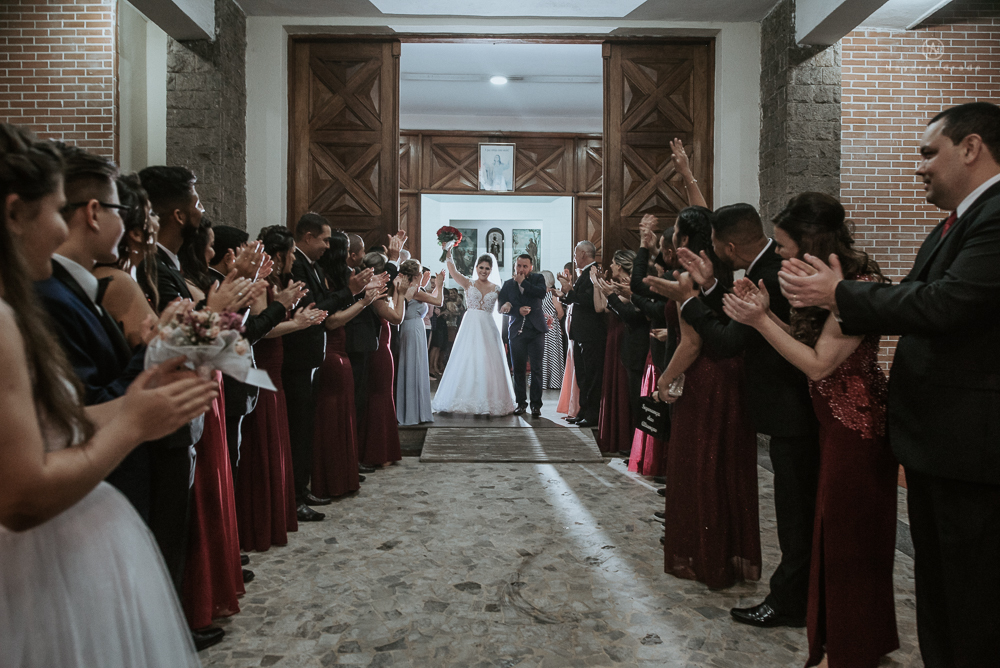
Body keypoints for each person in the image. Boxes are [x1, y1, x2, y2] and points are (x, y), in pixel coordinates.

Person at [778, 102, 1000, 667]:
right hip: (937, 441)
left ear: (971, 148)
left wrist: (841, 296)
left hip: (972, 444)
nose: (919, 168)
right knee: (942, 588)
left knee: (973, 595)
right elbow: (915, 301)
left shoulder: (995, 217)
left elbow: (948, 304)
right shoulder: (952, 224)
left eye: (930, 153)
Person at [0, 123, 217, 667]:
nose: (59, 229)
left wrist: (145, 390)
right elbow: (22, 495)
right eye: (54, 210)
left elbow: (59, 415)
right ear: (13, 214)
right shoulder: (16, 312)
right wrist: (134, 419)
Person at [723, 192, 899, 667]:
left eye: (782, 246)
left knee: (847, 542)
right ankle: (841, 641)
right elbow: (811, 343)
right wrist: (766, 309)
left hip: (852, 423)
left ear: (810, 245)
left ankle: (848, 648)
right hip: (829, 421)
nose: (776, 254)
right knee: (827, 537)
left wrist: (760, 321)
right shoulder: (831, 286)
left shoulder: (854, 286)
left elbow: (819, 365)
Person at [645, 202, 818, 628]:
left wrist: (689, 301)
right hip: (781, 404)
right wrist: (706, 291)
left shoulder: (770, 276)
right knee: (790, 505)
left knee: (796, 512)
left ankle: (791, 600)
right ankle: (794, 593)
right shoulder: (755, 270)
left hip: (788, 404)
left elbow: (725, 341)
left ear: (727, 245)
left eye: (784, 243)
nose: (781, 251)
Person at [652, 207, 761, 590]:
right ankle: (721, 549)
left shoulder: (689, 276)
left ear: (684, 238)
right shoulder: (715, 271)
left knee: (699, 464)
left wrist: (666, 379)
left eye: (677, 230)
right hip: (726, 377)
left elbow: (693, 342)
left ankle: (704, 552)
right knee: (720, 465)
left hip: (704, 378)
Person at [281, 213, 373, 521]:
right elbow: (315, 311)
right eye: (323, 238)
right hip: (298, 357)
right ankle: (294, 497)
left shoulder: (313, 267)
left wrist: (349, 292)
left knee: (304, 430)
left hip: (311, 357)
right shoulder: (297, 267)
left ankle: (300, 489)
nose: (326, 245)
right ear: (307, 237)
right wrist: (349, 293)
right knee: (298, 430)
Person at [432, 250, 516, 416]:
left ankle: (489, 400)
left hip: (488, 326)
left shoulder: (497, 288)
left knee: (488, 361)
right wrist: (447, 253)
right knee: (467, 359)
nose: (484, 271)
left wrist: (507, 306)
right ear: (476, 267)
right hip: (470, 326)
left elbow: (504, 304)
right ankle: (462, 398)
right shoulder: (468, 283)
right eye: (481, 268)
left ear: (491, 270)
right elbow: (453, 271)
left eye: (487, 269)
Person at [358, 251, 407, 467]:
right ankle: (376, 453)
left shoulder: (375, 292)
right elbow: (396, 317)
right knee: (380, 398)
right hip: (379, 352)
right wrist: (401, 294)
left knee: (382, 397)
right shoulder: (374, 294)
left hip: (382, 348)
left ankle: (383, 450)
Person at [558, 241, 606, 428]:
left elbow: (590, 302)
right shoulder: (584, 273)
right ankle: (583, 411)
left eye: (576, 254)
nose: (574, 258)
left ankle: (592, 415)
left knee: (592, 377)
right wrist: (566, 293)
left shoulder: (594, 272)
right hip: (581, 334)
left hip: (591, 333)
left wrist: (570, 291)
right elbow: (578, 299)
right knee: (583, 376)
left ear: (584, 254)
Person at [498, 254, 549, 417]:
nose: (521, 269)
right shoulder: (507, 284)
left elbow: (541, 294)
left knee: (536, 369)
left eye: (525, 266)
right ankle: (520, 403)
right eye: (518, 265)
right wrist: (515, 310)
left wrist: (523, 283)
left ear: (531, 268)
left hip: (536, 330)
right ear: (514, 266)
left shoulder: (538, 279)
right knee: (518, 369)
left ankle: (536, 405)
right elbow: (501, 306)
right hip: (517, 330)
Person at [396, 259, 443, 425]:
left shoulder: (411, 288)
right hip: (414, 328)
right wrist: (441, 285)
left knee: (411, 366)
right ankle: (413, 412)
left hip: (411, 328)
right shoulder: (413, 290)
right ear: (417, 274)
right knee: (414, 366)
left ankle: (411, 409)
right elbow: (438, 302)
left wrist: (433, 286)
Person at [539, 270, 564, 390]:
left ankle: (553, 381)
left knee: (551, 354)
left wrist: (551, 320)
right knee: (542, 354)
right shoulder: (539, 294)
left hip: (552, 329)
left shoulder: (553, 295)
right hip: (541, 328)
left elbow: (560, 313)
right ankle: (542, 380)